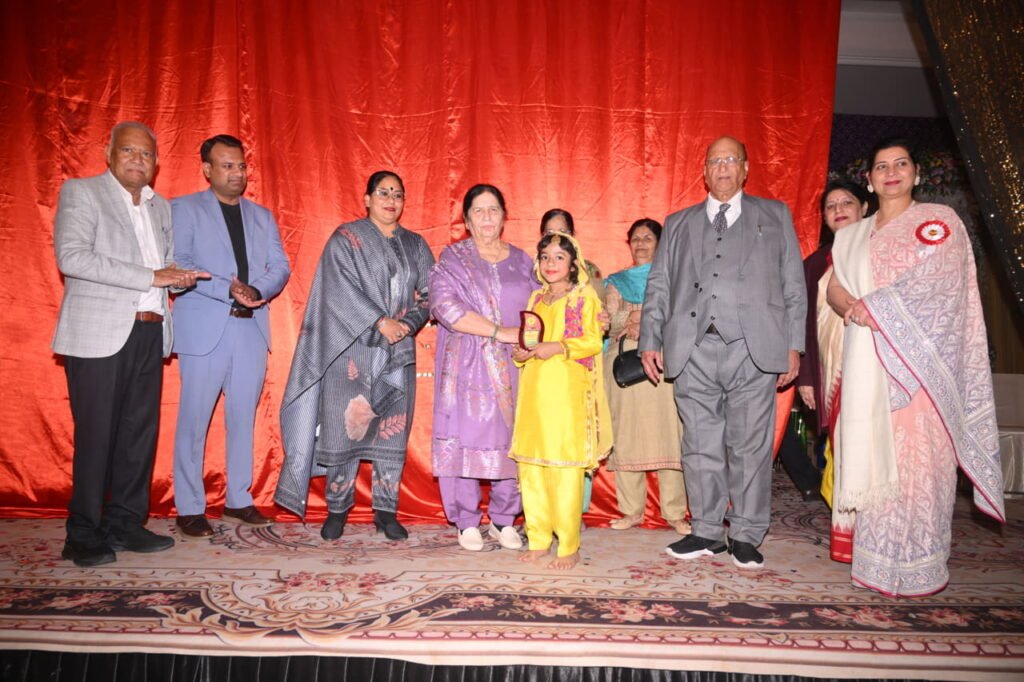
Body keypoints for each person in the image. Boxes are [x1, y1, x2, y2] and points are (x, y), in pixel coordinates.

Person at [825, 138, 1004, 596]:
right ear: (869, 180)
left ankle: (921, 565)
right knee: (874, 462)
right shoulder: (852, 235)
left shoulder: (938, 222)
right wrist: (852, 307)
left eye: (900, 164)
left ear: (916, 174)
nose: (891, 173)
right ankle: (876, 563)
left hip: (921, 367)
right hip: (868, 363)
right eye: (881, 166)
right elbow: (835, 288)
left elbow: (940, 286)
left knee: (921, 468)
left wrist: (876, 308)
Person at [639, 135, 806, 570]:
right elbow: (659, 284)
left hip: (754, 348)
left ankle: (747, 533)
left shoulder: (774, 215)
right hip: (692, 348)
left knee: (749, 445)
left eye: (732, 159)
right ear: (705, 171)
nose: (723, 167)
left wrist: (794, 344)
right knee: (699, 443)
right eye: (715, 161)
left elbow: (793, 283)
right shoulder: (678, 223)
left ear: (746, 168)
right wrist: (649, 339)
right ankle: (707, 531)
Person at [52, 121, 209, 567]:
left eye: (146, 154)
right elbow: (72, 257)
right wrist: (151, 276)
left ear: (156, 163)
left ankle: (124, 522)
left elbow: (163, 266)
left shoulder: (160, 207)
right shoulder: (82, 192)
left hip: (150, 330)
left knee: (138, 435)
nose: (138, 160)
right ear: (109, 154)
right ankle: (83, 532)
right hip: (98, 334)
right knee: (97, 435)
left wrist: (178, 277)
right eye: (129, 151)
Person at [275, 171, 435, 541]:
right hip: (350, 352)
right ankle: (337, 510)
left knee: (392, 432)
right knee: (343, 428)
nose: (391, 200)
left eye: (398, 193)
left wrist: (406, 324)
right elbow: (336, 290)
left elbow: (432, 293)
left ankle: (386, 512)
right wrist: (380, 322)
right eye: (383, 192)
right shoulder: (345, 239)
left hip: (398, 352)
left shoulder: (416, 244)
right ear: (366, 199)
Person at [170, 134, 291, 538]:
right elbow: (179, 263)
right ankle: (190, 507)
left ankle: (238, 499)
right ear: (207, 169)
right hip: (205, 328)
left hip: (250, 327)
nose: (236, 173)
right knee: (194, 420)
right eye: (226, 166)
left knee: (243, 419)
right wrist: (228, 289)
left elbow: (280, 266)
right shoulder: (184, 209)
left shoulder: (262, 216)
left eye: (240, 165)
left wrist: (255, 289)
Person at [429, 184, 534, 552]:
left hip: (515, 364)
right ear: (467, 220)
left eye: (494, 210)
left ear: (504, 216)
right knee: (464, 436)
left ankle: (504, 518)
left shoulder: (523, 261)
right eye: (479, 210)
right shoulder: (452, 259)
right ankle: (467, 520)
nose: (487, 217)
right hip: (466, 363)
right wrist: (498, 332)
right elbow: (445, 306)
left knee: (513, 438)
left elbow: (543, 306)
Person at [510, 233, 612, 570]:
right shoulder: (536, 297)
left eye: (559, 257)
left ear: (573, 264)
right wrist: (521, 354)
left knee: (565, 470)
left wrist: (558, 347)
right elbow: (530, 340)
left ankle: (569, 546)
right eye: (545, 257)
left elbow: (593, 341)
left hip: (567, 395)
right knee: (532, 468)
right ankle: (538, 539)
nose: (550, 263)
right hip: (534, 394)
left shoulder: (584, 296)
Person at [604, 219, 688, 534]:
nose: (640, 243)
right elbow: (608, 323)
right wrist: (632, 317)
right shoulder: (617, 281)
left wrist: (648, 321)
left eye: (648, 238)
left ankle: (675, 513)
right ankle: (631, 511)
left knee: (670, 435)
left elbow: (683, 317)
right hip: (625, 367)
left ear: (660, 244)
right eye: (635, 238)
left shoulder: (674, 278)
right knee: (627, 435)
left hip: (664, 364)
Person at [792, 179, 869, 510]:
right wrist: (807, 376)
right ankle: (844, 517)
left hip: (877, 367)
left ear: (864, 207)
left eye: (847, 202)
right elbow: (804, 324)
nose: (839, 210)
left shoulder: (882, 250)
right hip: (833, 369)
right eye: (831, 206)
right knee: (841, 441)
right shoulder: (815, 264)